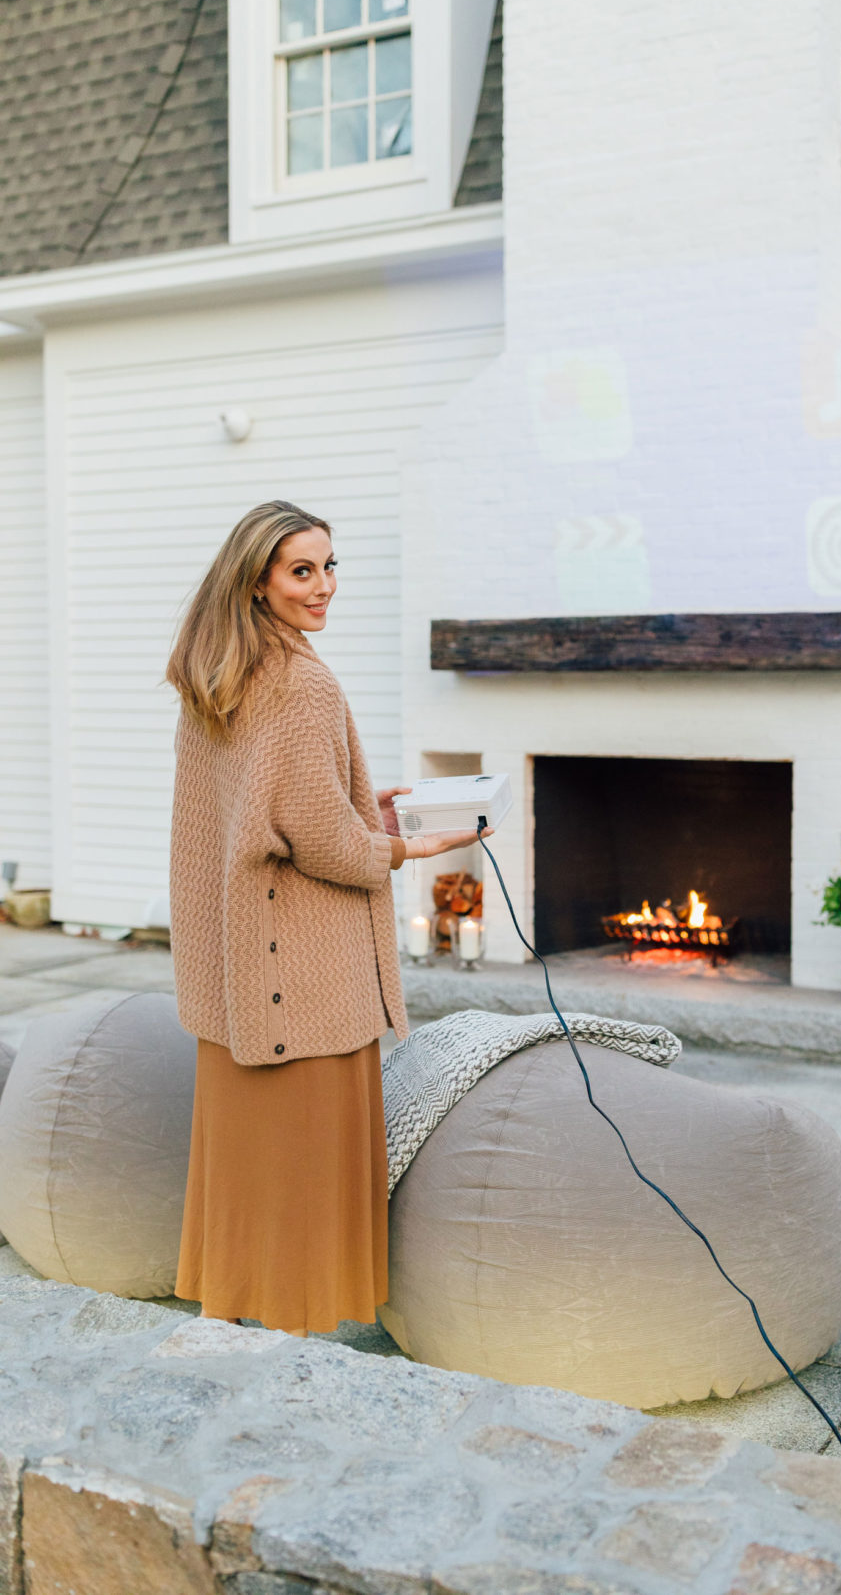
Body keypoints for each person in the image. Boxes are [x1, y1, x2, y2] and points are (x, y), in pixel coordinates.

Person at [164, 501, 484, 1337]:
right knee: (307, 1172)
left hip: (237, 969)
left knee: (249, 1170)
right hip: (299, 972)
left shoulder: (219, 673)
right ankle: (297, 1339)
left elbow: (259, 807)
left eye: (331, 566)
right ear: (256, 580)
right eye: (302, 570)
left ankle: (237, 1311)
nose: (324, 586)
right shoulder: (301, 680)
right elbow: (326, 847)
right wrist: (411, 845)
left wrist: (350, 806)